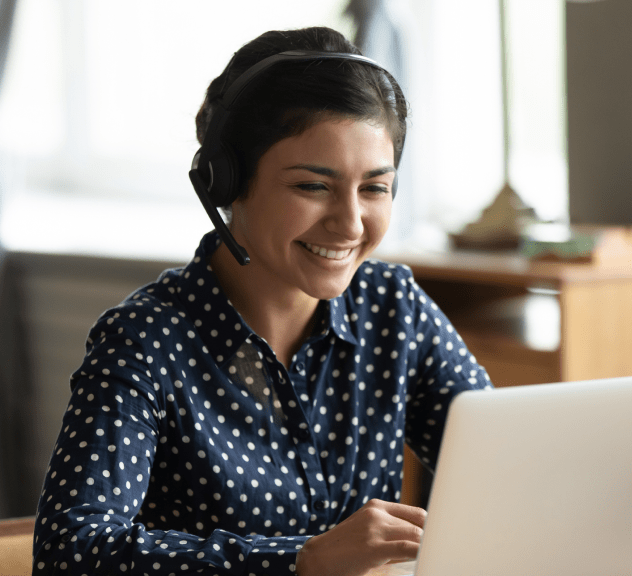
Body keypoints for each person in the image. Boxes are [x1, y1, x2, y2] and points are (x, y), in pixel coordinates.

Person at [33, 26, 491, 576]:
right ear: (226, 184)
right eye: (312, 186)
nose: (350, 223)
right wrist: (298, 562)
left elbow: (500, 465)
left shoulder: (394, 308)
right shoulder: (145, 341)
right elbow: (70, 553)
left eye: (374, 188)